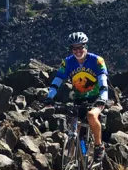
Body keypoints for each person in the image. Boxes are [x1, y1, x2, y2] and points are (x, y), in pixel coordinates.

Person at [46, 31, 109, 162]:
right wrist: (50, 96)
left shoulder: (97, 60)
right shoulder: (67, 63)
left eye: (81, 47)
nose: (78, 51)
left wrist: (103, 97)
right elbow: (58, 79)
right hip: (79, 98)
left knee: (91, 116)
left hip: (97, 97)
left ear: (86, 46)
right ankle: (74, 160)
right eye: (75, 48)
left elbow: (103, 80)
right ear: (71, 49)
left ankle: (98, 146)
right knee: (75, 127)